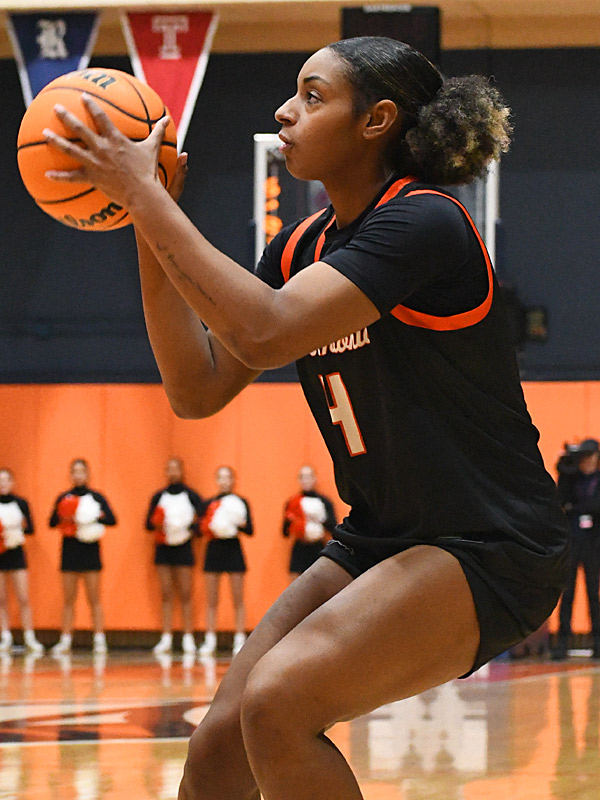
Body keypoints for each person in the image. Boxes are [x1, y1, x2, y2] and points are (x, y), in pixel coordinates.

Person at [45, 35, 569, 800]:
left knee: (280, 705)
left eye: (313, 95)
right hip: (382, 535)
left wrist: (149, 198)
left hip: (489, 541)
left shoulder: (426, 223)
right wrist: (143, 218)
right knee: (220, 743)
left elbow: (265, 328)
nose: (285, 111)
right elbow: (198, 388)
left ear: (377, 120)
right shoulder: (299, 247)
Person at [49, 458, 117, 655]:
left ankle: (99, 639)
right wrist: (67, 516)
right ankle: (66, 639)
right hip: (70, 551)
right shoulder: (64, 497)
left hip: (90, 552)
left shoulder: (96, 497)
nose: (78, 475)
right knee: (69, 598)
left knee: (94, 597)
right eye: (75, 471)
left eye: (82, 471)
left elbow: (112, 519)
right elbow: (52, 521)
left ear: (88, 474)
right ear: (70, 475)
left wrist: (92, 518)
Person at [146, 457, 204, 655]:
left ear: (182, 471)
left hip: (184, 548)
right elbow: (148, 523)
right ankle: (166, 637)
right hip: (163, 549)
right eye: (169, 469)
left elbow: (203, 520)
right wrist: (160, 523)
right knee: (166, 594)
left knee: (186, 593)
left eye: (175, 468)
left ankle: (188, 637)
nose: (172, 472)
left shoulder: (191, 495)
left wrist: (188, 528)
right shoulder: (159, 496)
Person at [198, 466, 253, 658]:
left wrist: (237, 522)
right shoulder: (209, 503)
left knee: (238, 597)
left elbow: (250, 530)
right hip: (214, 549)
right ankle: (210, 639)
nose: (224, 481)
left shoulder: (240, 502)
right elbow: (199, 528)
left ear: (233, 480)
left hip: (233, 549)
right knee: (211, 598)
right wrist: (208, 525)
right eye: (220, 477)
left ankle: (239, 638)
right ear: (216, 480)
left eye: (228, 477)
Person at [552, 439, 600, 660]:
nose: (586, 461)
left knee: (593, 595)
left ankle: (597, 645)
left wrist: (577, 508)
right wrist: (566, 463)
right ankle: (561, 646)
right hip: (573, 544)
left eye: (589, 456)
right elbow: (560, 497)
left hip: (594, 545)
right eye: (582, 457)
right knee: (567, 594)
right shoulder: (573, 478)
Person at [0, 468, 44, 654]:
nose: (3, 484)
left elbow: (31, 528)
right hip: (0, 554)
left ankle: (29, 637)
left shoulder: (21, 503)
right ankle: (5, 637)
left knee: (23, 597)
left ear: (12, 482)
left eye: (6, 480)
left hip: (17, 553)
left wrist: (16, 534)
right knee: (1, 598)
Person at [282, 465, 337, 579]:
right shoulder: (293, 502)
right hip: (299, 547)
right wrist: (290, 520)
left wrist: (321, 518)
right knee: (295, 586)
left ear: (315, 478)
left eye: (309, 477)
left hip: (318, 547)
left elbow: (333, 528)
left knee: (320, 584)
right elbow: (285, 532)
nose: (306, 480)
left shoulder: (324, 502)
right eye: (302, 477)